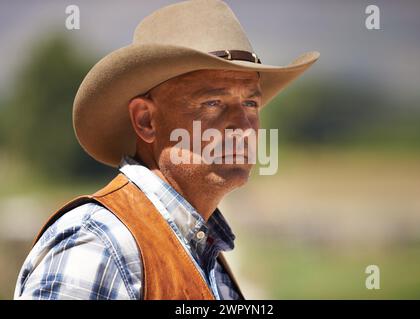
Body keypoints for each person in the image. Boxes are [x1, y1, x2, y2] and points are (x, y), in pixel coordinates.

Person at [14, 0, 319, 300]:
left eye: (250, 103)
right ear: (146, 120)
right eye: (213, 103)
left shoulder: (198, 250)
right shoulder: (98, 244)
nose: (242, 126)